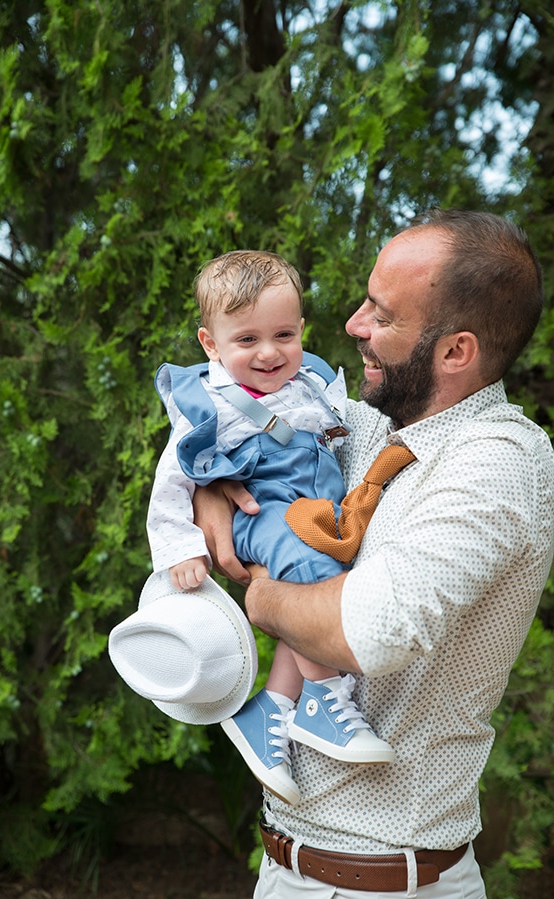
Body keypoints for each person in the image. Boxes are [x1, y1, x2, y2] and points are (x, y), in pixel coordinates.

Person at [192, 210, 554, 899]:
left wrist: (262, 593)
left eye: (382, 315)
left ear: (456, 351)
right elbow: (236, 427)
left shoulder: (503, 459)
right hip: (283, 866)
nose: (354, 324)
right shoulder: (359, 422)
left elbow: (371, 629)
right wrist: (209, 492)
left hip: (392, 882)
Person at [146, 250, 393, 808]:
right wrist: (181, 549)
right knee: (308, 571)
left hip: (315, 509)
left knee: (310, 590)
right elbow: (171, 483)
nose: (269, 352)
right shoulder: (209, 404)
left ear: (302, 329)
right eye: (247, 340)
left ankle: (272, 709)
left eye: (284, 334)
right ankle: (328, 698)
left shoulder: (314, 383)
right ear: (211, 344)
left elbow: (340, 438)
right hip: (263, 513)